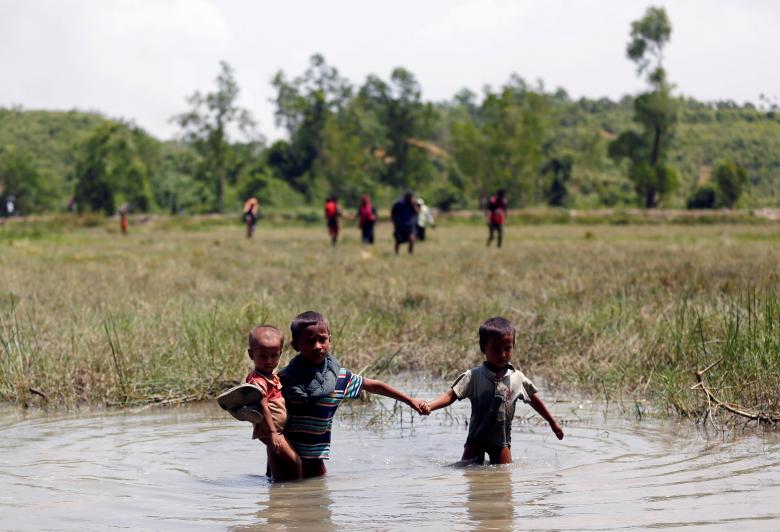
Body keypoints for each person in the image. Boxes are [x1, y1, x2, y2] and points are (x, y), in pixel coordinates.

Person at [280, 311, 426, 478]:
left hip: (316, 459)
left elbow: (374, 386)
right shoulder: (286, 378)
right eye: (311, 341)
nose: (318, 346)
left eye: (322, 339)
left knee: (318, 496)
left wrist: (409, 400)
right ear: (296, 346)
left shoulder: (339, 378)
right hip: (285, 458)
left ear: (330, 339)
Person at [420, 316, 564, 465]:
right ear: (483, 348)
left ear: (513, 346)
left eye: (507, 348)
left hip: (501, 442)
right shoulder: (474, 376)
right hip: (476, 439)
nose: (502, 354)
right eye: (495, 349)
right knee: (466, 470)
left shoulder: (517, 378)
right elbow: (450, 396)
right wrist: (430, 405)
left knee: (504, 476)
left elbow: (534, 400)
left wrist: (552, 422)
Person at [218, 325, 302, 481]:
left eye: (274, 356)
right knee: (295, 463)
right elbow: (264, 407)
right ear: (251, 354)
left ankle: (273, 484)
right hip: (270, 430)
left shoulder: (271, 375)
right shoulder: (258, 381)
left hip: (277, 430)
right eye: (263, 356)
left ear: (280, 354)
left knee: (276, 460)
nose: (269, 361)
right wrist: (272, 433)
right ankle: (297, 490)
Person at [391, 190, 419, 255]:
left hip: (410, 225)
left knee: (412, 238)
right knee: (399, 240)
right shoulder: (399, 203)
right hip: (401, 225)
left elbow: (417, 212)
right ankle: (396, 252)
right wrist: (394, 221)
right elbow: (393, 213)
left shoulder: (413, 203)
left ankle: (410, 252)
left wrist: (414, 204)